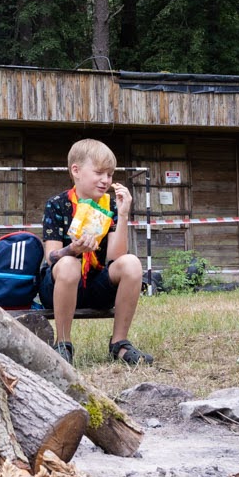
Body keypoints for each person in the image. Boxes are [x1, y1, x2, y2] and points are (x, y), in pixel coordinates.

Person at [38, 139, 153, 367]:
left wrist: (123, 215)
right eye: (99, 172)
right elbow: (51, 257)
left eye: (109, 174)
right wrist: (72, 249)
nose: (106, 180)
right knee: (69, 263)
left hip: (96, 284)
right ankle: (63, 344)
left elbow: (115, 257)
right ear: (76, 171)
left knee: (131, 263)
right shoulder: (57, 204)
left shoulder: (109, 205)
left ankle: (119, 343)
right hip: (58, 286)